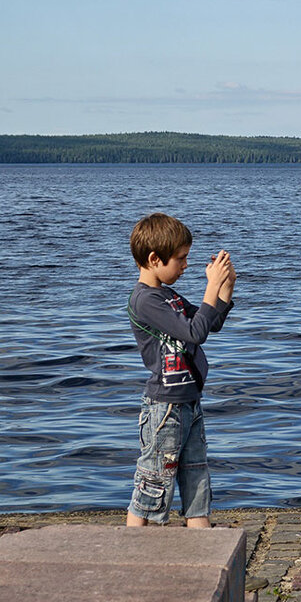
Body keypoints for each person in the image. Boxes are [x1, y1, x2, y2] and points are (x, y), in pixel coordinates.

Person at [125, 212, 235, 528]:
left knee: (196, 478)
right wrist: (210, 286)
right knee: (153, 483)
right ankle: (132, 551)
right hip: (165, 408)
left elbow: (208, 323)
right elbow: (193, 334)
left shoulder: (167, 296)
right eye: (180, 259)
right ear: (154, 259)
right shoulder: (145, 300)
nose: (186, 265)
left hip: (188, 402)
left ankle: (203, 551)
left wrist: (224, 289)